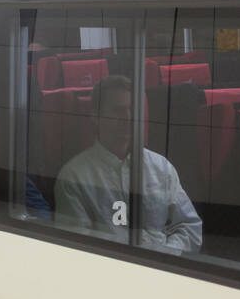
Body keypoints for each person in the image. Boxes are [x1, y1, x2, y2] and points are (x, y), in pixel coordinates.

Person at [54, 74, 202, 255]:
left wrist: (163, 255)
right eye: (118, 110)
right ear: (96, 117)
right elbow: (78, 249)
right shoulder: (74, 177)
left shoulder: (161, 167)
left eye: (133, 109)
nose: (128, 118)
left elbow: (190, 228)